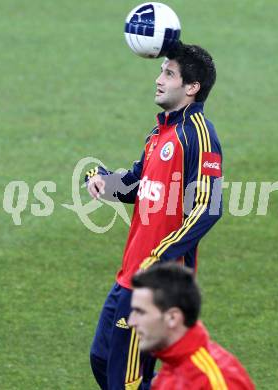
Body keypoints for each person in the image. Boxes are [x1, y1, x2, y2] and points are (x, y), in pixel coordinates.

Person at [86, 41, 223, 389]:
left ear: (192, 88)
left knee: (126, 380)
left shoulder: (199, 137)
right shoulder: (158, 134)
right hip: (129, 275)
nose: (158, 78)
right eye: (161, 70)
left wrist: (160, 254)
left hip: (156, 285)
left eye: (169, 73)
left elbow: (207, 207)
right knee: (102, 360)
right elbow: (135, 185)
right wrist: (104, 180)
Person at [129, 263, 255, 389]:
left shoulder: (212, 381)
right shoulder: (172, 366)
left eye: (140, 312)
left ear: (173, 318)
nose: (131, 321)